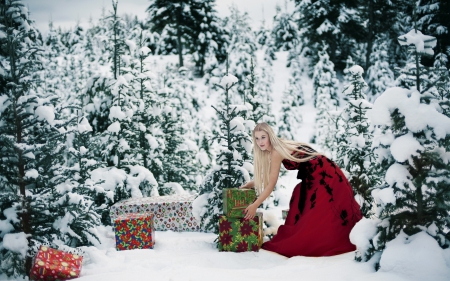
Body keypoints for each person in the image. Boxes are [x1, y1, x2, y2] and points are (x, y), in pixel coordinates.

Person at [240, 122, 362, 258]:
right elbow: (270, 177)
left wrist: (255, 205)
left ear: (270, 136)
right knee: (300, 195)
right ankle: (330, 235)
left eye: (263, 137)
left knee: (318, 212)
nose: (260, 142)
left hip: (322, 174)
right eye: (257, 138)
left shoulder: (276, 151)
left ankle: (326, 239)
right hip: (323, 171)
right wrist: (251, 184)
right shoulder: (278, 147)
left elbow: (271, 184)